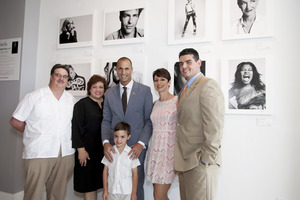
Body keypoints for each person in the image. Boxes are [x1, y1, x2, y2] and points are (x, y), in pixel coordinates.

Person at [9, 64, 75, 200]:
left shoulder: (71, 100)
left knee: (58, 193)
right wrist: (33, 134)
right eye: (58, 75)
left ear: (68, 80)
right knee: (33, 193)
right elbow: (15, 121)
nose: (61, 79)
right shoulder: (34, 97)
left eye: (65, 76)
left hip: (65, 152)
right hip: (39, 152)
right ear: (51, 76)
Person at [174, 48, 224, 200]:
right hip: (185, 161)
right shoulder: (186, 88)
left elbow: (215, 126)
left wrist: (206, 160)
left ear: (199, 63)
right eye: (181, 63)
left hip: (200, 162)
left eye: (188, 62)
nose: (184, 66)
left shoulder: (208, 85)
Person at [101, 57, 153, 200]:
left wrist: (141, 144)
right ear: (116, 70)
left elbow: (149, 120)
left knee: (136, 185)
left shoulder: (144, 90)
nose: (123, 72)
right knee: (114, 183)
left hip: (136, 148)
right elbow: (106, 120)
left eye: (126, 68)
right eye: (120, 68)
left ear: (131, 69)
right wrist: (106, 142)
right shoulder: (109, 93)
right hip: (114, 147)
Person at [72, 75, 108, 200]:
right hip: (86, 152)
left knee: (101, 184)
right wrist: (80, 150)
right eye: (94, 87)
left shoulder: (107, 105)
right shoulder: (81, 105)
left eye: (101, 87)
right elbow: (76, 128)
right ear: (89, 89)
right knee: (88, 185)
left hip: (103, 152)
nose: (98, 90)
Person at [146, 68, 178, 200]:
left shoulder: (177, 101)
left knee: (158, 196)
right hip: (155, 151)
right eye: (156, 80)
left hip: (168, 153)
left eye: (162, 79)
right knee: (158, 195)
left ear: (169, 82)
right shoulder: (155, 104)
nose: (159, 82)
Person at [102, 122, 140, 200]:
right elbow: (105, 172)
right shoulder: (109, 152)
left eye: (122, 137)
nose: (119, 139)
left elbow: (135, 174)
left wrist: (134, 193)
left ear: (128, 137)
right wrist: (105, 190)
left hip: (127, 193)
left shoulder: (132, 154)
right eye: (116, 136)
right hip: (112, 192)